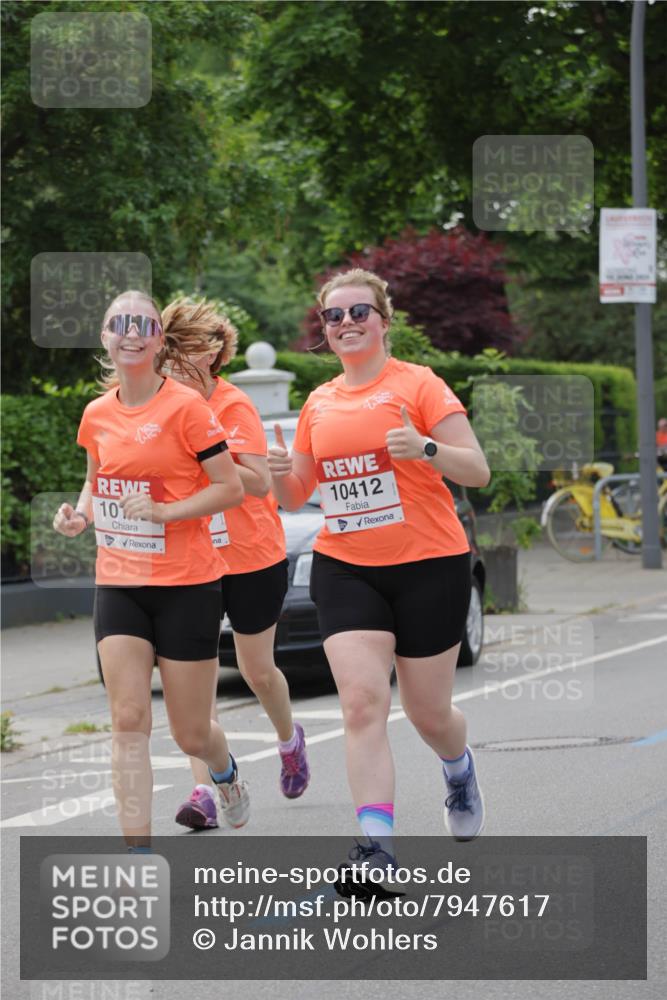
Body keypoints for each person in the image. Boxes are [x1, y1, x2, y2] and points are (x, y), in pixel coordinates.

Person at [268, 268, 491, 876]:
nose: (345, 324)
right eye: (333, 316)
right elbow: (296, 495)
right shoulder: (319, 402)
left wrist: (425, 448)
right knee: (362, 705)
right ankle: (377, 848)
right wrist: (276, 469)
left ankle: (458, 768)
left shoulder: (419, 385)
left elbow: (476, 470)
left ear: (384, 321)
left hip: (429, 565)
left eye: (358, 312)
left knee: (428, 714)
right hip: (346, 567)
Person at [53, 290, 249, 850]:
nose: (132, 333)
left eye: (144, 324)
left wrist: (166, 511)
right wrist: (81, 515)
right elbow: (98, 477)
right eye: (121, 323)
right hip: (119, 582)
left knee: (191, 732)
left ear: (159, 340)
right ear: (106, 337)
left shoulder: (187, 408)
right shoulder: (96, 414)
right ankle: (137, 852)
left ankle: (225, 771)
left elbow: (229, 487)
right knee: (129, 718)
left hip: (187, 584)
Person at [160, 297, 310, 830]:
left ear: (214, 353)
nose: (177, 361)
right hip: (192, 560)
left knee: (256, 670)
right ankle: (204, 791)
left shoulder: (232, 405)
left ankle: (290, 741)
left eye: (190, 349)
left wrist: (206, 460)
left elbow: (256, 481)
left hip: (251, 556)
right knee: (195, 685)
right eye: (172, 349)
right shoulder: (164, 406)